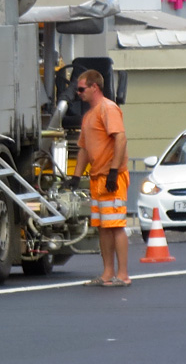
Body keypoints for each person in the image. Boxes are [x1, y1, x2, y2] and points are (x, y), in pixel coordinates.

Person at [68, 70, 131, 286]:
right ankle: (107, 273)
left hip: (111, 176)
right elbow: (84, 149)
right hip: (97, 178)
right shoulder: (89, 115)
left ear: (95, 87)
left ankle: (123, 275)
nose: (78, 93)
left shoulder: (108, 108)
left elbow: (120, 138)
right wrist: (76, 177)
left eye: (81, 89)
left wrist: (114, 171)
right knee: (103, 227)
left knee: (115, 225)